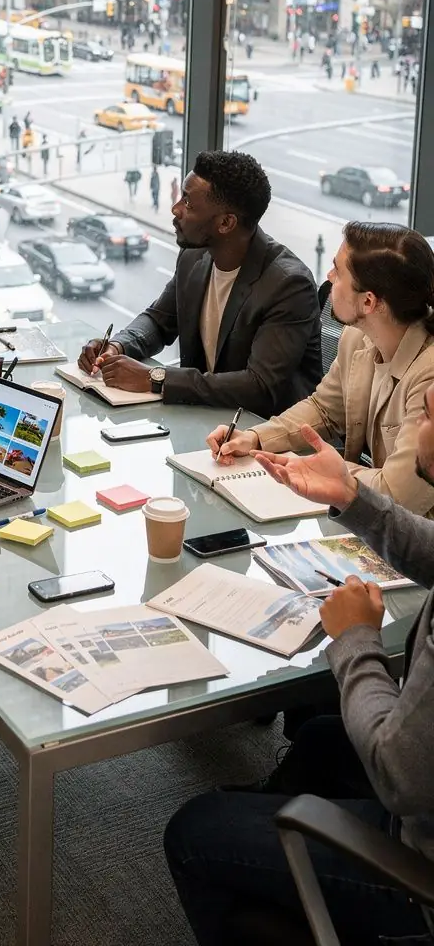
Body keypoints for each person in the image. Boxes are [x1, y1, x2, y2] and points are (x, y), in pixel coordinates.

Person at [165, 381, 434, 946]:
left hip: (422, 872)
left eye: (428, 413)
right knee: (320, 739)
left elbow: (400, 776)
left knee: (192, 831)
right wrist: (353, 496)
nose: (419, 425)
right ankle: (269, 833)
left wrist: (356, 640)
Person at [207, 222, 434, 515]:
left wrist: (318, 469)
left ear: (368, 301)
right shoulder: (357, 337)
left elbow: (396, 494)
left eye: (337, 272)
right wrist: (256, 437)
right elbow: (325, 410)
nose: (328, 278)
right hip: (370, 521)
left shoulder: (428, 377)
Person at [78, 151, 321, 415]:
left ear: (226, 223)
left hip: (269, 438)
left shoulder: (288, 285)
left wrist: (155, 378)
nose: (175, 209)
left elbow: (259, 386)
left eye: (189, 203)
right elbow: (159, 321)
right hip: (206, 422)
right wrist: (117, 345)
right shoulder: (194, 255)